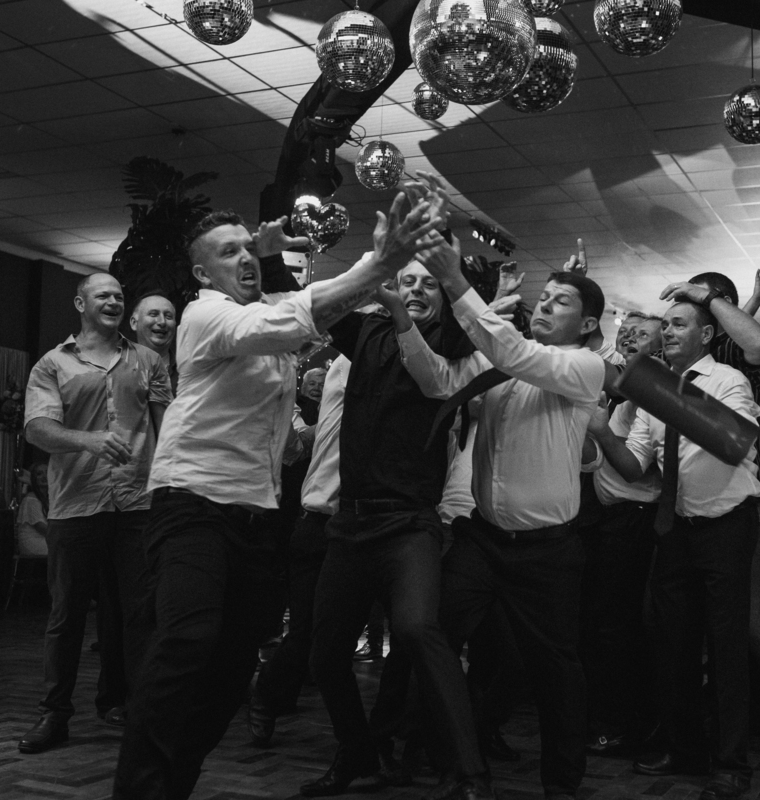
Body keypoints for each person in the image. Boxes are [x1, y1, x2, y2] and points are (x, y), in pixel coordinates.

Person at [113, 192, 449, 800]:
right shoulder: (205, 315)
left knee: (235, 666)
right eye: (227, 252)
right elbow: (290, 318)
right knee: (187, 640)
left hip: (254, 517)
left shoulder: (261, 317)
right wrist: (378, 263)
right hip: (191, 503)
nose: (242, 257)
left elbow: (293, 326)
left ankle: (172, 785)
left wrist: (303, 439)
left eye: (247, 247)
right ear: (201, 274)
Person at [398, 233, 620, 800]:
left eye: (560, 302)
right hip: (481, 538)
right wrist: (402, 321)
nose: (544, 305)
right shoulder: (503, 359)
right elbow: (438, 380)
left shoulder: (584, 367)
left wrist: (456, 281)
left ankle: (561, 783)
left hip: (547, 550)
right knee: (430, 635)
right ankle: (445, 759)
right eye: (543, 298)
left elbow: (519, 356)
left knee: (555, 668)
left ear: (588, 325)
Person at [305, 242, 489, 800]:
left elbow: (439, 373)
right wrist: (275, 258)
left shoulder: (453, 342)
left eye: (428, 284)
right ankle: (360, 755)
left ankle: (469, 774)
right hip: (351, 523)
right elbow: (315, 307)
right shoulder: (366, 333)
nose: (415, 290)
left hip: (410, 524)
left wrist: (437, 283)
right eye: (407, 281)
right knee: (324, 655)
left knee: (416, 631)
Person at [601, 299, 760, 800]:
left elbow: (733, 440)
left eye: (678, 324)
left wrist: (652, 386)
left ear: (707, 335)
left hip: (726, 526)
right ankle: (685, 748)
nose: (667, 332)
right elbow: (635, 466)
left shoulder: (728, 381)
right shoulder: (655, 392)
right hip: (676, 527)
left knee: (727, 645)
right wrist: (599, 430)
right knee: (672, 643)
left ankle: (731, 763)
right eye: (665, 325)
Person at [663, 256, 760, 762]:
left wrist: (708, 297)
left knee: (754, 623)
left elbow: (758, 344)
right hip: (683, 511)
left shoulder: (735, 361)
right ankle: (701, 730)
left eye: (695, 299)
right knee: (691, 628)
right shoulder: (683, 355)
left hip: (748, 504)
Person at [19, 272, 173, 754]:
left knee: (139, 616)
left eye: (119, 295)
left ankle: (137, 710)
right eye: (103, 294)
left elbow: (168, 429)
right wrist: (89, 440)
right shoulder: (53, 363)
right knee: (66, 617)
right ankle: (54, 714)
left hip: (137, 504)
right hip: (76, 505)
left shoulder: (148, 360)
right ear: (80, 303)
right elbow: (37, 429)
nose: (113, 300)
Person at [250, 354, 350, 748]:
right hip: (317, 522)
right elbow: (293, 447)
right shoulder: (344, 372)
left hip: (368, 526)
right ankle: (267, 695)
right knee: (308, 630)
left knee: (333, 635)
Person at [577, 312, 662, 755]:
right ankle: (610, 719)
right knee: (603, 623)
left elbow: (635, 469)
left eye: (642, 333)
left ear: (661, 348)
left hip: (634, 519)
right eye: (625, 330)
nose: (628, 336)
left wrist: (597, 429)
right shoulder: (622, 394)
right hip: (609, 519)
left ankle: (617, 725)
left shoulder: (652, 395)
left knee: (617, 626)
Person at [129, 291, 179, 390]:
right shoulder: (116, 369)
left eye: (168, 316)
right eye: (153, 314)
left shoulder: (187, 370)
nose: (162, 322)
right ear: (134, 323)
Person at [16, 462, 51, 557]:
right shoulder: (31, 499)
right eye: (39, 474)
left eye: (47, 472)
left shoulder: (48, 499)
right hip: (34, 541)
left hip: (45, 538)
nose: (44, 476)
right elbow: (41, 527)